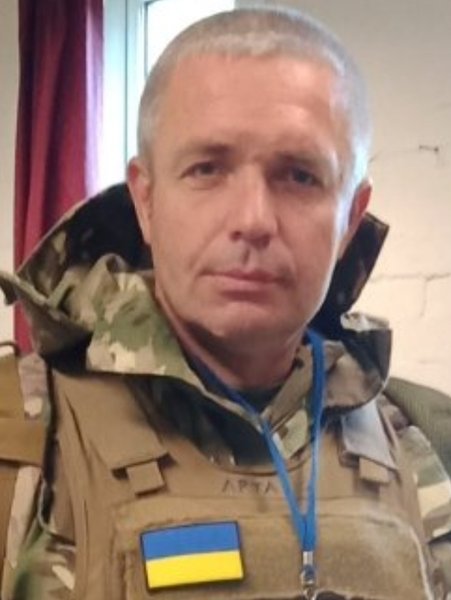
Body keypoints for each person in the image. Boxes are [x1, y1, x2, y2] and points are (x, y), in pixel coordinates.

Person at [0, 6, 450, 600]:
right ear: (146, 201)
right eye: (207, 169)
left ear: (350, 218)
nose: (253, 220)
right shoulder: (22, 444)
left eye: (300, 176)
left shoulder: (430, 442)